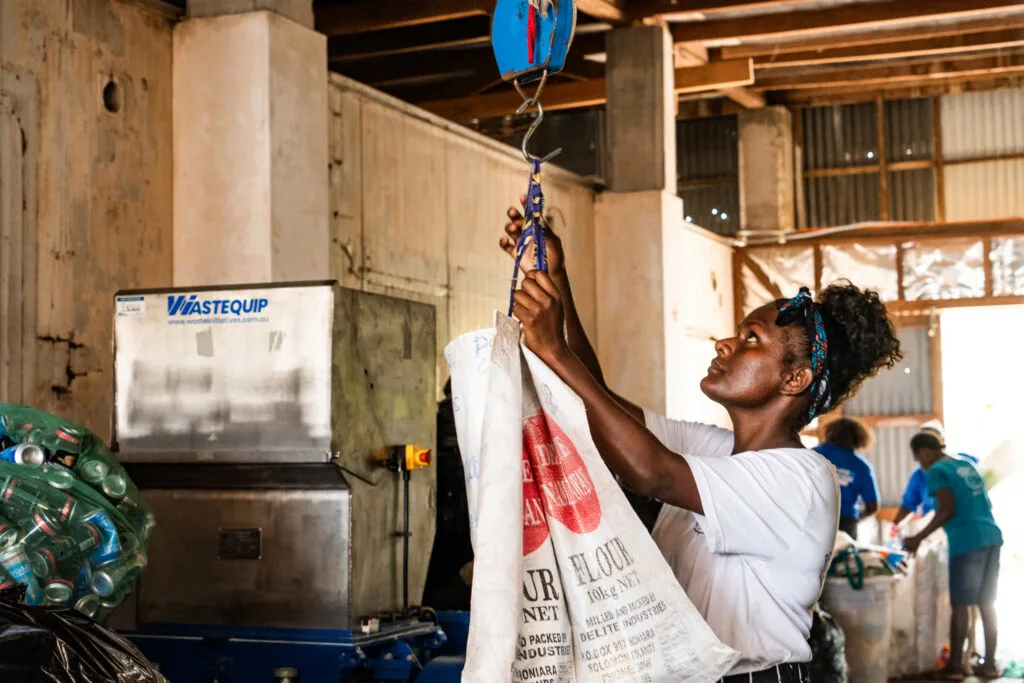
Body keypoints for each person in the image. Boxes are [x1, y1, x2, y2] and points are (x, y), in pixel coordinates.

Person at [501, 203, 903, 681]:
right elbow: (600, 407)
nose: (724, 345)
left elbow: (648, 470)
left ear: (794, 378)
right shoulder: (714, 450)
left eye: (751, 339)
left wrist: (553, 349)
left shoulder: (802, 478)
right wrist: (558, 281)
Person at [902, 433, 1003, 681]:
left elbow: (947, 509)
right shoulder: (964, 464)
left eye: (918, 459)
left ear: (924, 452)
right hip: (991, 535)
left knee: (961, 606)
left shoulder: (937, 470)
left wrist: (917, 538)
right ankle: (989, 665)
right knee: (986, 603)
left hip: (967, 540)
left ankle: (955, 667)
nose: (921, 465)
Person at [893, 421, 979, 529]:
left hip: (965, 526)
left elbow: (947, 510)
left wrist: (919, 537)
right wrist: (895, 527)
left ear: (941, 442)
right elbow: (908, 505)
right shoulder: (920, 475)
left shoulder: (965, 462)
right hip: (940, 532)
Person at [813, 417, 880, 540]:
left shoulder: (812, 455)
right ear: (859, 438)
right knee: (844, 557)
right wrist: (854, 518)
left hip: (814, 519)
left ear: (830, 433)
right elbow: (873, 506)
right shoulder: (862, 467)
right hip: (845, 523)